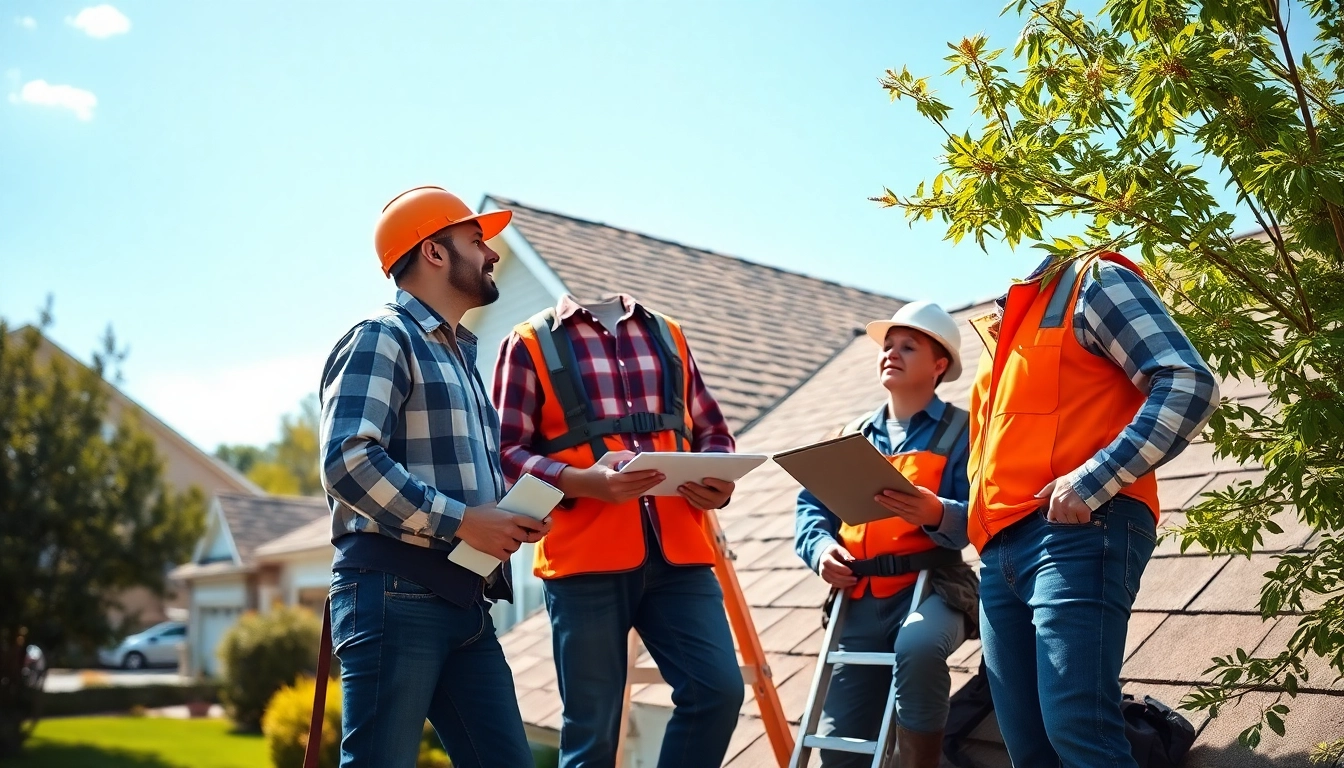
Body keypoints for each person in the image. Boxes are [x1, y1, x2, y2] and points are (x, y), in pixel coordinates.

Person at [319, 186, 550, 768]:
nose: (492, 253)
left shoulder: (460, 358)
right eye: (477, 240)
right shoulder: (383, 336)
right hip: (394, 595)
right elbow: (346, 459)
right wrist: (466, 521)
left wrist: (510, 515)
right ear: (435, 253)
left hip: (465, 603)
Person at [969, 251, 1219, 766]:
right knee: (1030, 748)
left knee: (1081, 735)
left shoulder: (1092, 281)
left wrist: (1091, 481)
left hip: (1078, 532)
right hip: (1000, 558)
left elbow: (1189, 383)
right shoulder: (1000, 339)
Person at [493, 293, 744, 768]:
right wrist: (581, 482)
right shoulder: (528, 342)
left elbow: (713, 432)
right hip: (583, 562)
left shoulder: (669, 332)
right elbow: (504, 451)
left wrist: (719, 481)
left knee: (719, 691)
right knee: (593, 736)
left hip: (681, 556)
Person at [794, 300, 977, 768]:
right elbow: (811, 509)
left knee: (916, 647)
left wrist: (936, 512)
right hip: (859, 599)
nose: (890, 353)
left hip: (936, 589)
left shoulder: (963, 432)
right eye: (887, 346)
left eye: (907, 346)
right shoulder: (850, 435)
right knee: (839, 751)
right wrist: (821, 551)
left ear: (939, 365)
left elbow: (980, 518)